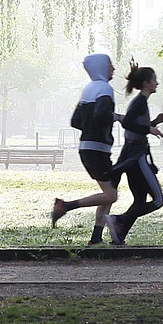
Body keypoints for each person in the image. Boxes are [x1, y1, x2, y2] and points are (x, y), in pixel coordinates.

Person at [51, 52, 121, 244]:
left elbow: (75, 121)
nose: (113, 69)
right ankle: (65, 206)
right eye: (110, 65)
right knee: (110, 195)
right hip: (98, 148)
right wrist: (118, 118)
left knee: (108, 194)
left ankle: (96, 238)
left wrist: (90, 128)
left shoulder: (88, 89)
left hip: (88, 147)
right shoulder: (105, 89)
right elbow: (101, 114)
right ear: (101, 67)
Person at [106, 62, 163, 246]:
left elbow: (134, 125)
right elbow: (127, 123)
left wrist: (154, 122)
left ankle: (119, 235)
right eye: (155, 80)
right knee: (157, 200)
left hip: (132, 155)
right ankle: (118, 220)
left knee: (140, 199)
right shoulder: (139, 102)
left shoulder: (141, 103)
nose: (157, 83)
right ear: (147, 83)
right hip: (137, 155)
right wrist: (150, 128)